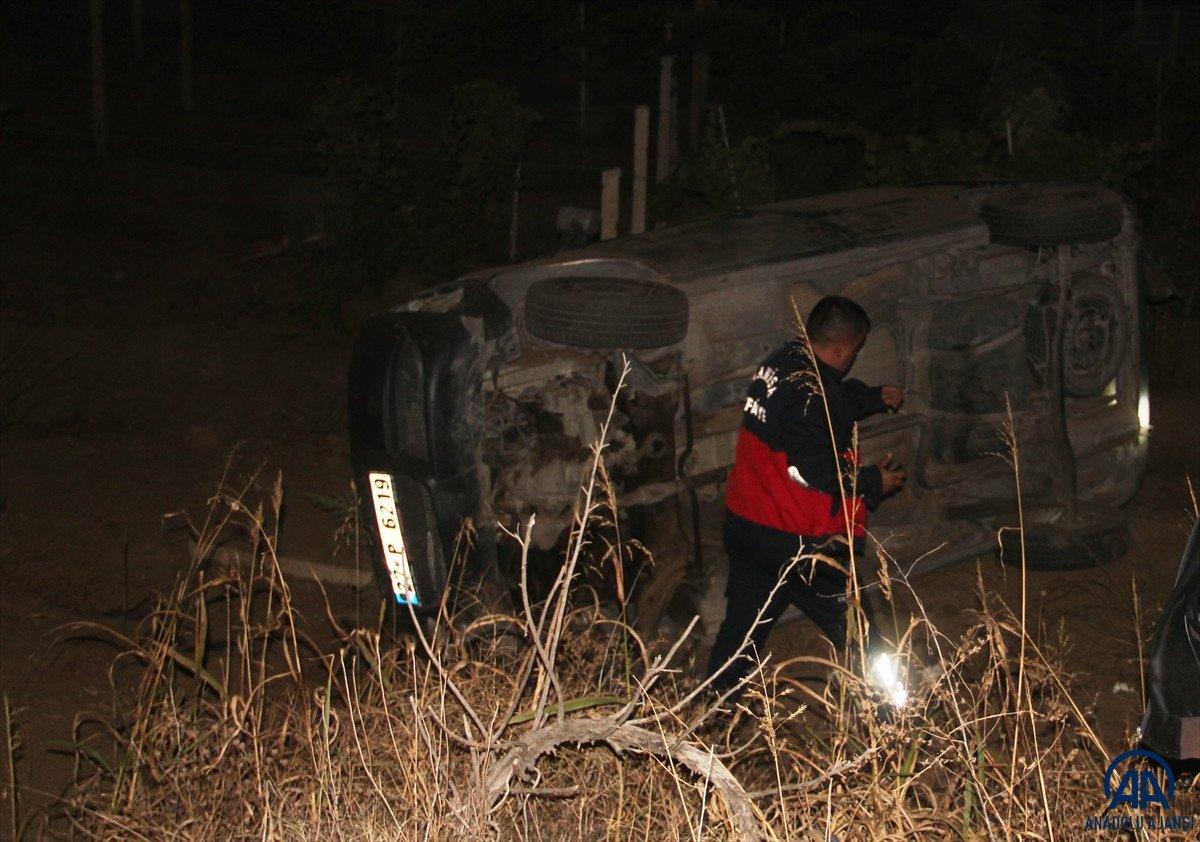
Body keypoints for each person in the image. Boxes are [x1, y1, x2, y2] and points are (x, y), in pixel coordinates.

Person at [706, 295, 906, 692]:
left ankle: (713, 706)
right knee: (859, 633)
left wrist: (871, 398)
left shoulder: (784, 361)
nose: (855, 355)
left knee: (740, 634)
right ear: (841, 349)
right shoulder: (811, 395)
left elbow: (824, 405)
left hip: (749, 526)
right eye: (856, 348)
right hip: (800, 543)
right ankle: (891, 709)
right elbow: (812, 469)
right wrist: (872, 481)